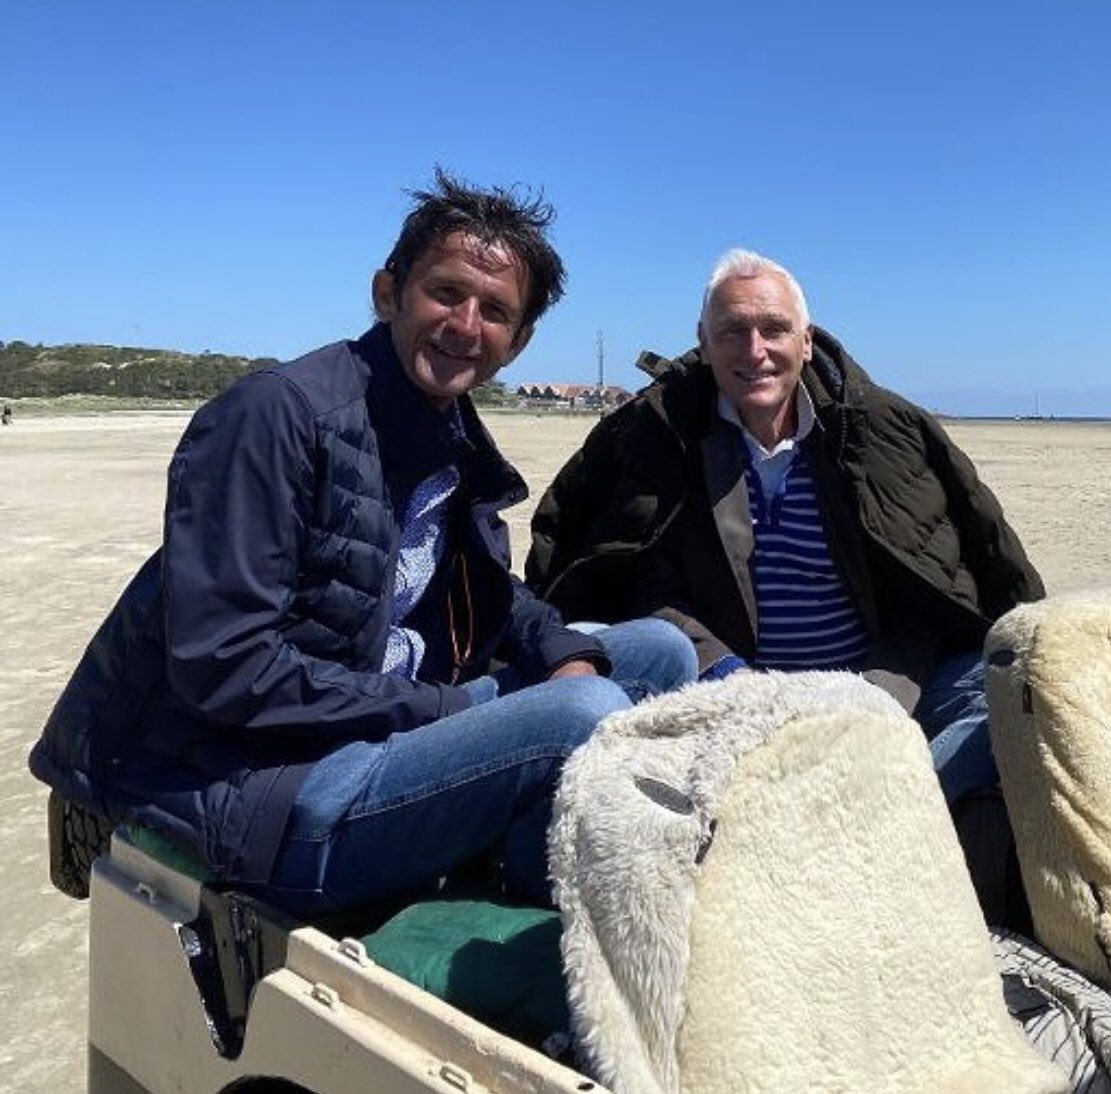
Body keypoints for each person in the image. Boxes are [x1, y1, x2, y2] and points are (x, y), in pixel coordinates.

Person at [29, 171, 697, 916]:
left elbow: (482, 588)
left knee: (656, 651)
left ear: (518, 341)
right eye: (445, 293)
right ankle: (529, 877)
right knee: (582, 710)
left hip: (383, 728)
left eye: (494, 311)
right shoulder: (275, 416)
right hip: (262, 787)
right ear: (388, 293)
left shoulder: (444, 433)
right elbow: (224, 664)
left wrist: (561, 649)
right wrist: (449, 708)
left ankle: (531, 853)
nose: (465, 324)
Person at [527, 248, 1044, 817]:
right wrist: (732, 677)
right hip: (730, 695)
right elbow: (644, 581)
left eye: (774, 329)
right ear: (704, 341)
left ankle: (868, 808)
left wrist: (873, 698)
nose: (756, 351)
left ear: (806, 340)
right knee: (600, 682)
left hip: (874, 688)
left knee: (1009, 689)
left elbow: (923, 588)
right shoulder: (664, 433)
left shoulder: (877, 432)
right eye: (732, 331)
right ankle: (844, 812)